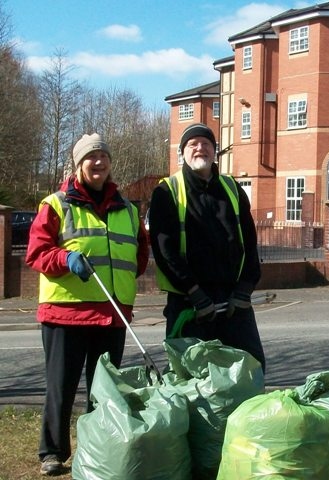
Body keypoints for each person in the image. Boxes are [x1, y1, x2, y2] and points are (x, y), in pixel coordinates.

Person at [26, 133, 150, 476]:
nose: (98, 163)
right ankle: (52, 453)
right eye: (90, 158)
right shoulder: (56, 204)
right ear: (79, 164)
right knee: (61, 388)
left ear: (110, 164)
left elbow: (141, 248)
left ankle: (98, 449)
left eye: (103, 157)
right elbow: (37, 252)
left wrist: (127, 273)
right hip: (66, 314)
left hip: (112, 314)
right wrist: (66, 259)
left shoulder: (126, 208)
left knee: (105, 391)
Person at [149, 122, 266, 371]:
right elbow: (164, 251)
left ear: (214, 151)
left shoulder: (232, 188)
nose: (200, 148)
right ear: (183, 152)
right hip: (190, 305)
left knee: (250, 372)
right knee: (190, 381)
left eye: (206, 144)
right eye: (193, 144)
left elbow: (249, 242)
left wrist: (245, 288)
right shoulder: (166, 191)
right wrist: (195, 293)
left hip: (234, 303)